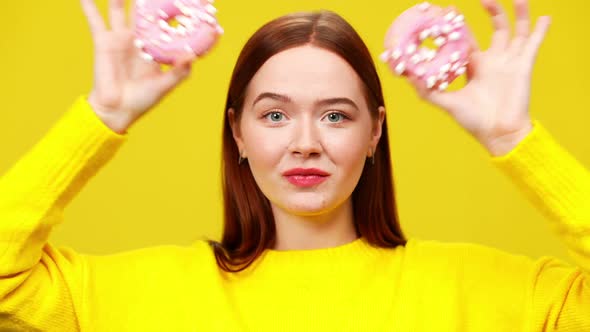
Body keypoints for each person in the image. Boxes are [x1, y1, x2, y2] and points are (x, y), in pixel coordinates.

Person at [0, 0, 588, 330]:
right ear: (239, 132)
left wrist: (515, 137)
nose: (306, 143)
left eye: (335, 116)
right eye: (275, 116)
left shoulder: (487, 292)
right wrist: (102, 115)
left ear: (375, 131)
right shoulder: (126, 293)